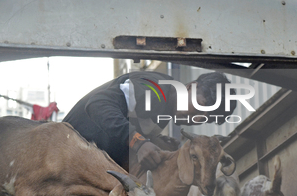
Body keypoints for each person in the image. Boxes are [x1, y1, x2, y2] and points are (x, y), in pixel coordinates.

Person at [62, 71, 234, 172]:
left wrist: (156, 142)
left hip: (87, 165)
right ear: (190, 87)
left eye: (205, 117)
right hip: (65, 156)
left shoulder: (167, 109)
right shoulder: (155, 88)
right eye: (199, 105)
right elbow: (97, 105)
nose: (196, 117)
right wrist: (139, 142)